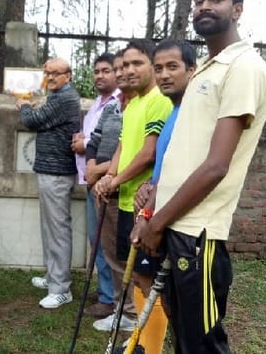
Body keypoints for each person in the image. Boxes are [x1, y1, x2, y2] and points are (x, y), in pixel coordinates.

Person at [130, 0, 266, 354]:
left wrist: (156, 224)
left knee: (202, 347)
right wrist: (154, 200)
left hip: (198, 237)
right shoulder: (208, 69)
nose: (205, 6)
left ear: (237, 9)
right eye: (199, 1)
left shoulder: (244, 68)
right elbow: (186, 152)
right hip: (175, 224)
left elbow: (216, 166)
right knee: (185, 341)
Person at [92, 39, 172, 332]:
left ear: (152, 64)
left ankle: (150, 342)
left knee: (148, 279)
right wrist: (109, 176)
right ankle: (140, 335)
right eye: (125, 65)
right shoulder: (133, 103)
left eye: (137, 63)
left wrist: (115, 179)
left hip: (145, 202)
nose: (129, 70)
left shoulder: (158, 100)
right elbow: (123, 146)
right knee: (136, 276)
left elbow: (148, 153)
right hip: (126, 199)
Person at [127, 39, 196, 354]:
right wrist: (149, 187)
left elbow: (188, 173)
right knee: (168, 300)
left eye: (173, 67)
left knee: (188, 317)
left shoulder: (191, 115)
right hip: (158, 214)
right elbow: (165, 168)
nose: (164, 75)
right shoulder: (174, 111)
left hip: (180, 226)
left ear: (191, 70)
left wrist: (149, 219)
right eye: (159, 68)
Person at [17, 57, 81, 309]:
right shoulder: (57, 97)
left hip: (57, 174)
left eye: (56, 73)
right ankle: (53, 277)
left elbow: (32, 120)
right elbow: (43, 117)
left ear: (68, 76)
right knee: (50, 229)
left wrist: (23, 105)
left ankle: (61, 289)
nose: (51, 77)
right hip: (50, 171)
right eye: (47, 73)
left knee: (57, 230)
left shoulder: (65, 98)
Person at [83, 51, 139, 325]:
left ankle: (127, 311)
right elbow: (95, 140)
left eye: (121, 68)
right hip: (101, 185)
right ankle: (117, 304)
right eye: (118, 68)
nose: (120, 73)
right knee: (104, 247)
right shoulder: (111, 107)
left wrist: (104, 173)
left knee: (121, 254)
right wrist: (91, 166)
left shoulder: (141, 105)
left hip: (120, 188)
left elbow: (135, 152)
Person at [71, 52, 119, 318]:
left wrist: (86, 146)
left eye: (106, 71)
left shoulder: (119, 103)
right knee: (96, 238)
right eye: (97, 71)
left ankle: (109, 298)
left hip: (108, 181)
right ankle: (105, 291)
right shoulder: (98, 105)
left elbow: (122, 145)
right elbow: (95, 138)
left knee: (106, 240)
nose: (100, 76)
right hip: (91, 179)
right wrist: (83, 142)